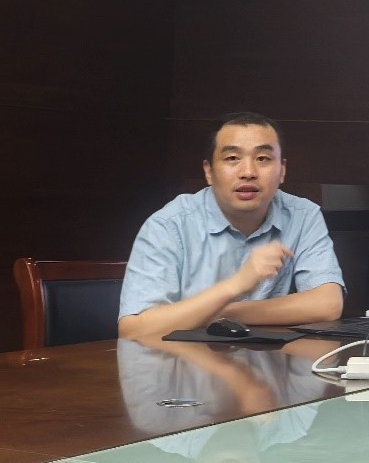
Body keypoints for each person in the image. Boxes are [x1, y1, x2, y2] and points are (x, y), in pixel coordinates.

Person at [118, 111, 344, 339]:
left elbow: (328, 304)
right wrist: (235, 285)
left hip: (267, 359)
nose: (248, 173)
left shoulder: (303, 216)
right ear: (209, 171)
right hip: (184, 359)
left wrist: (221, 313)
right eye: (232, 158)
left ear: (282, 170)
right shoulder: (168, 225)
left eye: (263, 158)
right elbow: (133, 329)